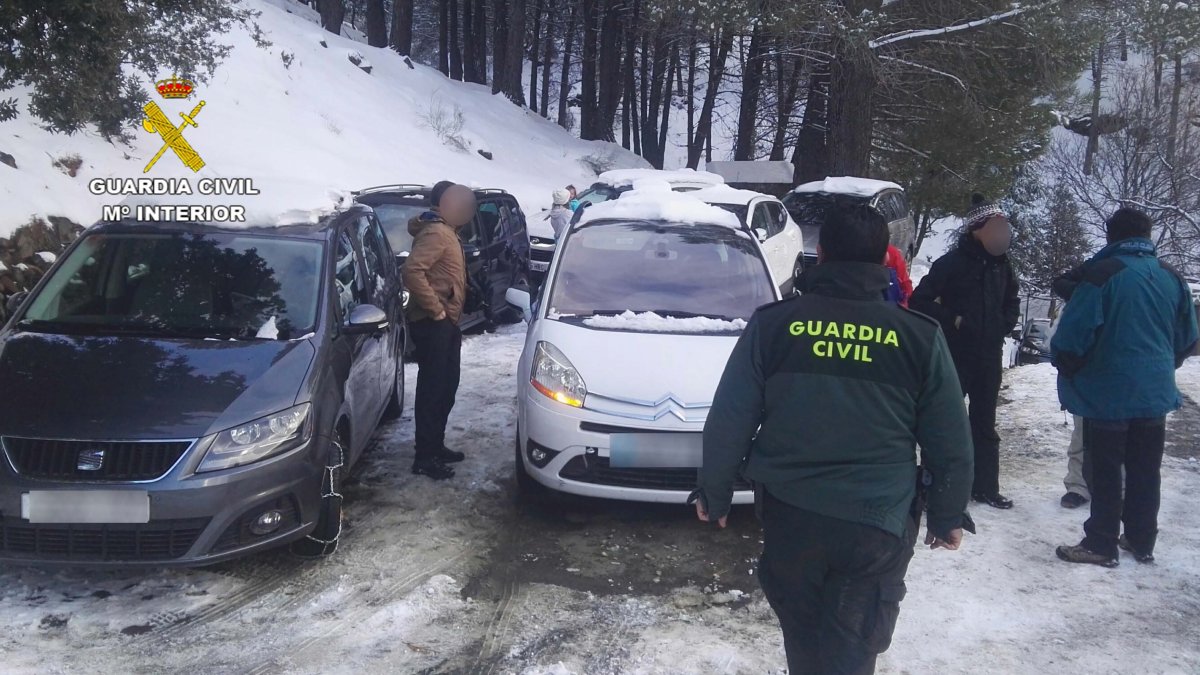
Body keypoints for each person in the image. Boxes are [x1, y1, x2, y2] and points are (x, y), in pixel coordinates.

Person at [695, 203, 973, 675]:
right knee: (852, 652)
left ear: (820, 254)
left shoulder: (775, 324)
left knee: (804, 642)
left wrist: (715, 493)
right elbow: (949, 436)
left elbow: (730, 418)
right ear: (885, 261)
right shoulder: (918, 336)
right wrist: (948, 513)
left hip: (792, 516)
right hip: (877, 522)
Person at [1053, 207, 1197, 567]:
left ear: (1110, 236)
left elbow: (1073, 336)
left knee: (1104, 470)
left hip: (1108, 393)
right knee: (1145, 470)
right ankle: (1141, 539)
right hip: (1154, 393)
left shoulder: (1103, 274)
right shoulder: (1171, 276)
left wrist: (1068, 365)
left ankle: (1101, 543)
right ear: (1147, 236)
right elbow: (1188, 336)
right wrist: (1163, 364)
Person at [909, 193, 1020, 510]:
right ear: (977, 229)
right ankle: (933, 488)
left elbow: (1012, 301)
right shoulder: (951, 264)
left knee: (984, 424)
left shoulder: (1002, 266)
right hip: (953, 356)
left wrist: (1003, 324)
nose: (1002, 233)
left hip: (989, 356)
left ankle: (985, 487)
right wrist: (954, 320)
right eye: (995, 226)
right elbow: (919, 301)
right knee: (943, 423)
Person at [402, 181, 477, 480]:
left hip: (447, 322)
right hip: (433, 323)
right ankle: (425, 456)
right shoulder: (436, 232)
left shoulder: (448, 230)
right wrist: (436, 309)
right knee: (433, 391)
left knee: (446, 387)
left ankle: (435, 445)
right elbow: (412, 271)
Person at [1051, 265, 1090, 509]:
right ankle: (1078, 485)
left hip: (1127, 376)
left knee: (1123, 436)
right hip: (1087, 376)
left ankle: (1118, 490)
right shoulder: (1096, 274)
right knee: (1082, 432)